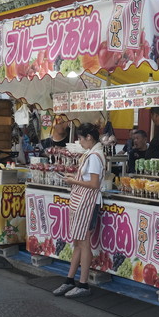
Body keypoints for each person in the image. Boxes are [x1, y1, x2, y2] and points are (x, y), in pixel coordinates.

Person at [52, 122, 105, 299]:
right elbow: (89, 179)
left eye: (81, 138)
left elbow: (94, 184)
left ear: (89, 137)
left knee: (84, 242)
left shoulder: (95, 156)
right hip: (82, 201)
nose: (80, 142)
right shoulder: (91, 153)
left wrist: (73, 181)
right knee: (78, 242)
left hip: (88, 203)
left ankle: (83, 283)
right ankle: (70, 280)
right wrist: (74, 177)